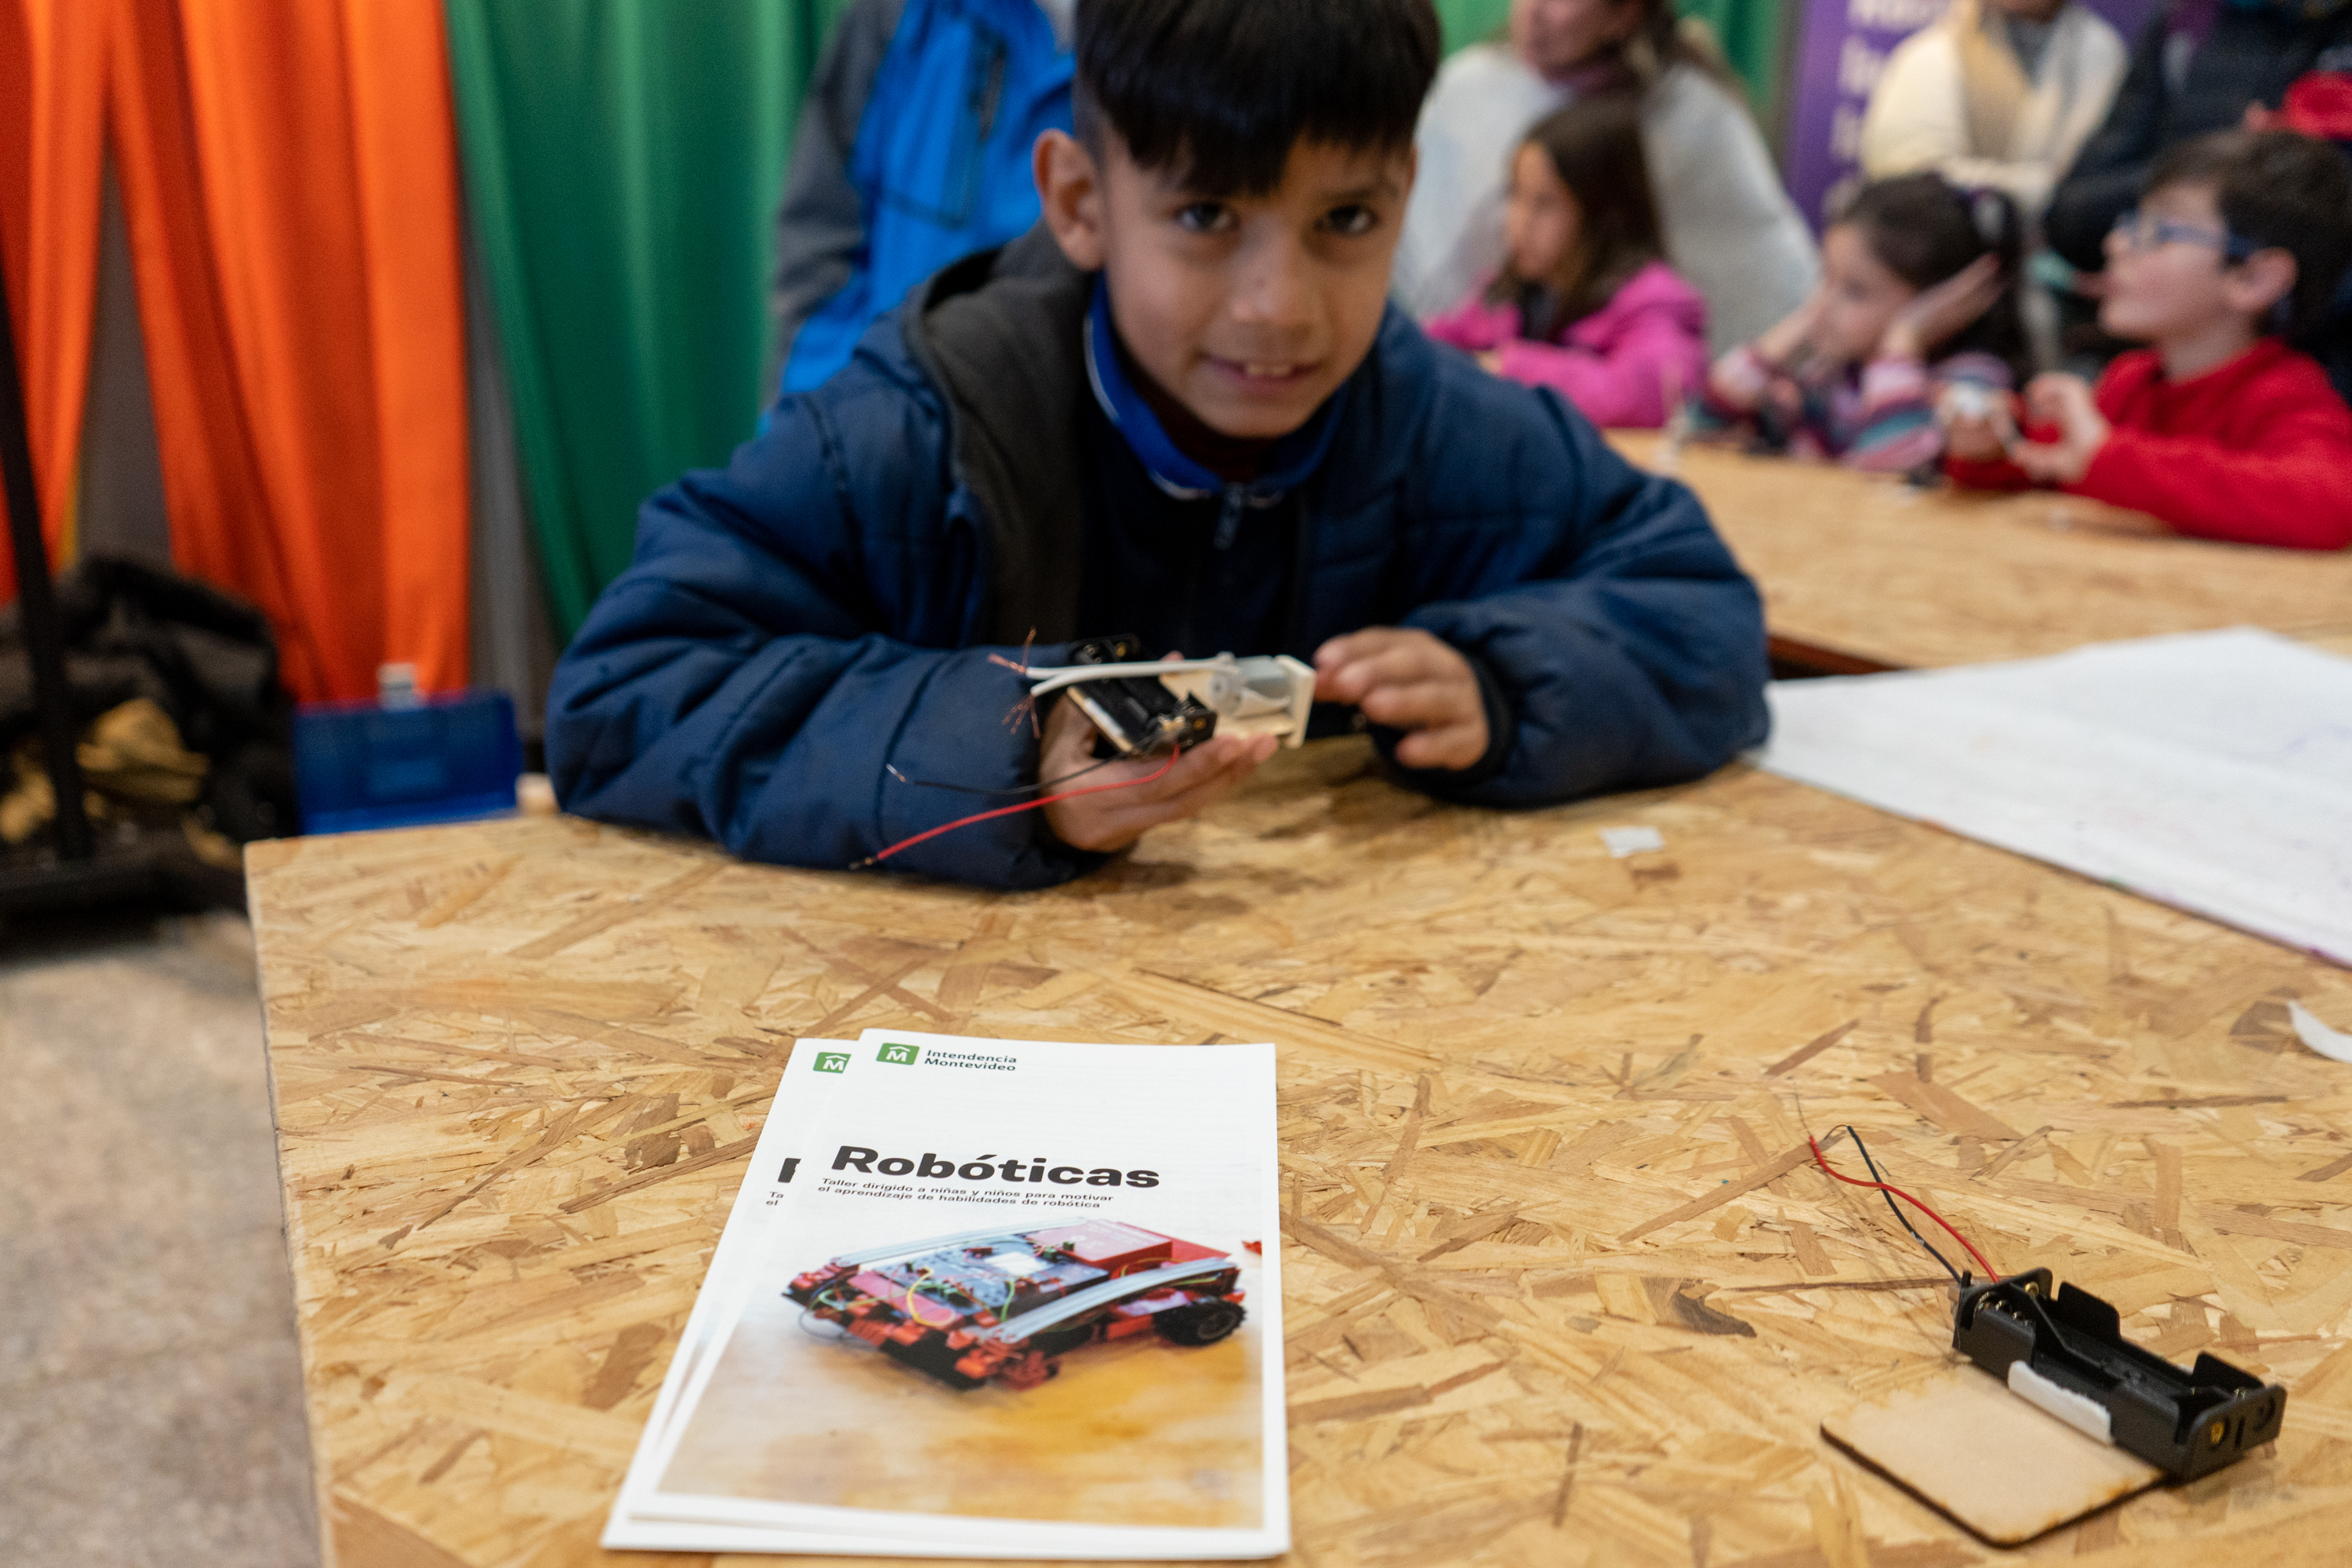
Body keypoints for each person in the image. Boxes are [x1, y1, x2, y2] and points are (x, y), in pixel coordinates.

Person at [546, 0, 1770, 891]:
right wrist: (1011, 752)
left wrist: (1509, 685)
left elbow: (1700, 608)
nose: (1279, 308)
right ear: (1081, 203)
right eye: (1205, 214)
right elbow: (625, 689)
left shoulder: (1449, 423)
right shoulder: (916, 431)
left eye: (1346, 218)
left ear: (1404, 192)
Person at [1946, 129, 2352, 550]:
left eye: (2159, 232)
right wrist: (1996, 446)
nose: (2116, 244)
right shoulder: (2131, 381)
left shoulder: (2288, 396)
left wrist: (2106, 456)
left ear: (2253, 279)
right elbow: (2061, 463)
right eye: (2131, 224)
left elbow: (2327, 504)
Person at [1393, 0, 1817, 353]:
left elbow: (1769, 289)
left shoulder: (1690, 120)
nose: (1534, 10)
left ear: (1625, 14)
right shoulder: (1469, 88)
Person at [768, 0, 1076, 397]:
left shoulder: (1142, 45)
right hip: (877, 405)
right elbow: (820, 242)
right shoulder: (894, 14)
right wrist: (817, 419)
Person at [1700, 173, 2028, 471]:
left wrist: (1903, 338)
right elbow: (1704, 429)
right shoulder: (1831, 382)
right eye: (1826, 277)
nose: (1825, 304)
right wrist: (1795, 328)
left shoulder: (1971, 386)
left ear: (1941, 301)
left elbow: (1892, 461)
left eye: (1855, 291)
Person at [1424, 97, 1708, 426]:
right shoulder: (1508, 295)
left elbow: (1653, 396)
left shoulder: (1656, 301)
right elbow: (1435, 345)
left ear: (1602, 213)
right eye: (1515, 194)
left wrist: (1506, 369)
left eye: (1544, 204)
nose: (1518, 222)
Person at [2042, 0, 2352, 278]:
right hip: (2171, 292)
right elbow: (2070, 215)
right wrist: (2212, 173)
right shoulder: (2188, 21)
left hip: (2303, 301)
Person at [1858, 0, 2127, 221]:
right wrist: (2045, 188)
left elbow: (2101, 183)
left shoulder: (2101, 53)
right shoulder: (1931, 55)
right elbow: (1910, 182)